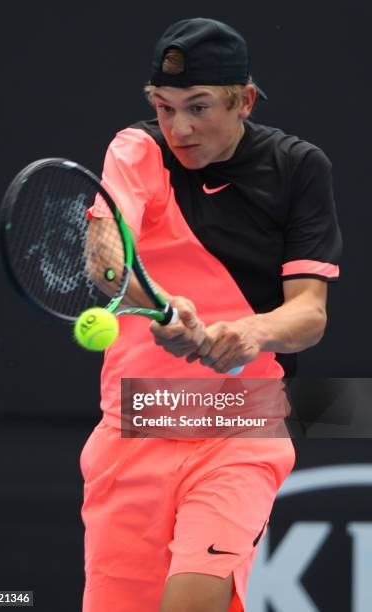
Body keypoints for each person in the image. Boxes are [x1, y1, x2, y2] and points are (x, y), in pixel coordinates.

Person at [80, 17, 342, 612]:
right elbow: (105, 260)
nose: (180, 127)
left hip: (240, 427)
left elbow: (310, 311)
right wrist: (162, 306)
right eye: (165, 108)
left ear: (244, 100)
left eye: (198, 107)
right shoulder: (136, 149)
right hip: (133, 425)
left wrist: (249, 332)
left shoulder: (298, 167)